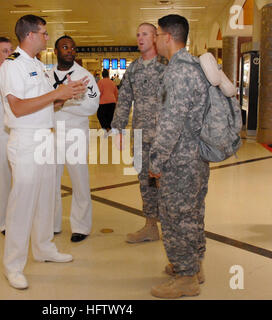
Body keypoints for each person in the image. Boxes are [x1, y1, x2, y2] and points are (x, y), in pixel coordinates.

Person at [0, 15, 87, 290]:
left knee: (46, 199)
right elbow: (19, 108)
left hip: (47, 138)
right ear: (30, 35)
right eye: (44, 33)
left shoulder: (37, 65)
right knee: (21, 206)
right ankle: (13, 266)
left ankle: (44, 247)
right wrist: (55, 94)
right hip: (26, 142)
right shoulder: (12, 66)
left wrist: (66, 95)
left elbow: (46, 105)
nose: (47, 38)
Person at [149, 14, 210, 299]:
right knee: (193, 212)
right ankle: (193, 265)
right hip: (195, 157)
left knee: (176, 216)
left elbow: (171, 124)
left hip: (179, 160)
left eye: (157, 34)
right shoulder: (193, 66)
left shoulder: (177, 72)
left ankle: (186, 278)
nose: (155, 39)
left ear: (168, 37)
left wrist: (156, 160)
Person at [111, 23, 166, 244]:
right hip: (141, 137)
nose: (140, 38)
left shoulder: (167, 65)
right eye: (138, 34)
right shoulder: (133, 68)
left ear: (155, 38)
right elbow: (124, 100)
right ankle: (151, 226)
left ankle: (173, 234)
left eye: (145, 34)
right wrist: (118, 128)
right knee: (146, 184)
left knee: (167, 186)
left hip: (165, 138)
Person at [50, 35, 100, 242]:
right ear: (56, 51)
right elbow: (39, 103)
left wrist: (67, 100)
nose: (70, 51)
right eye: (65, 47)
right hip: (50, 133)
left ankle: (81, 226)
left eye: (72, 48)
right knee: (50, 181)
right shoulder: (46, 75)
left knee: (79, 181)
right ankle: (52, 223)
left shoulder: (84, 76)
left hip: (75, 133)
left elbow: (92, 106)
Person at [0, 37, 14, 235]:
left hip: (19, 130)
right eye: (5, 51)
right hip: (0, 132)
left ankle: (22, 218)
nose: (9, 54)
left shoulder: (16, 70)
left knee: (22, 179)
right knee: (3, 180)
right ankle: (5, 222)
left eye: (11, 50)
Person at [96, 69, 118, 133]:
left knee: (100, 115)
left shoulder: (100, 82)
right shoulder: (112, 82)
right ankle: (109, 126)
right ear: (108, 75)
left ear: (102, 75)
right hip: (112, 101)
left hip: (103, 102)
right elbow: (116, 92)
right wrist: (116, 101)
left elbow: (98, 92)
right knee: (110, 115)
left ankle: (105, 127)